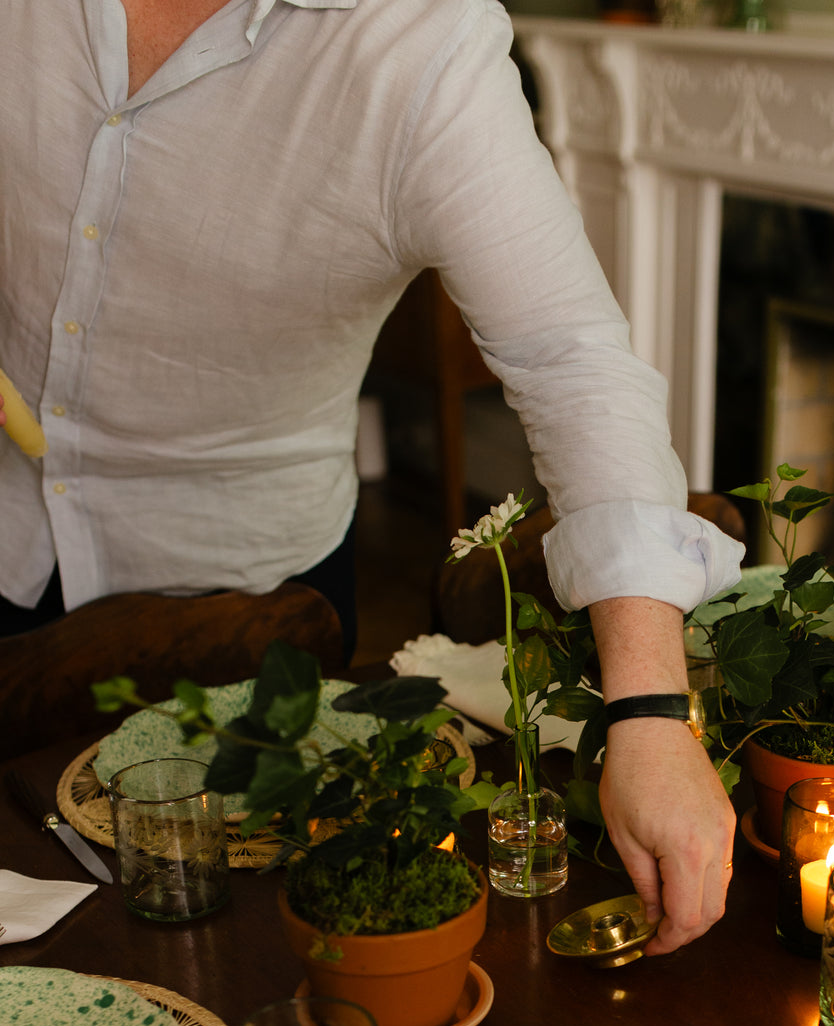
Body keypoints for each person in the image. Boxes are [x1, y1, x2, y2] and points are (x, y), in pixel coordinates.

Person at [0, 0, 743, 953]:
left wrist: (646, 712)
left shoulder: (423, 42)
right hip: (9, 543)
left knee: (234, 968)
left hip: (248, 619)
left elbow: (574, 362)